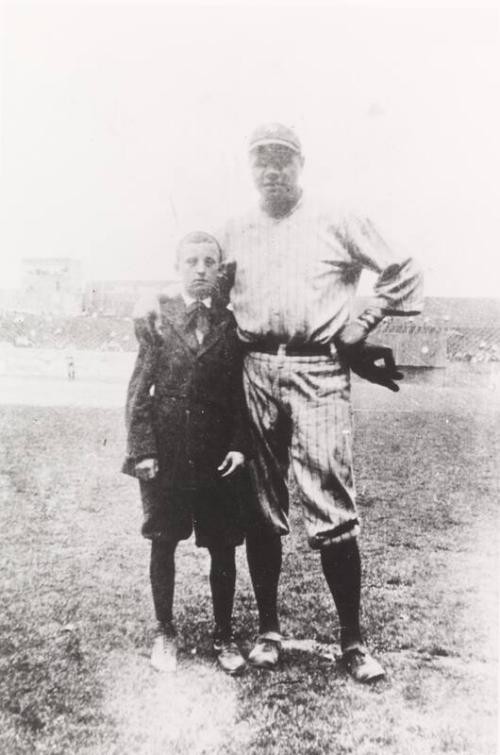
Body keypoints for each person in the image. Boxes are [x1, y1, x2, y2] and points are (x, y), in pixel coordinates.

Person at [218, 123, 424, 683]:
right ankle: (268, 632)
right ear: (249, 166)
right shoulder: (233, 229)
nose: (271, 169)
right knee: (261, 503)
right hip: (255, 366)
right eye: (261, 158)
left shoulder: (337, 217)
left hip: (319, 368)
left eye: (282, 159)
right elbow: (207, 292)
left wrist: (363, 322)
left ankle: (353, 642)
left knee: (332, 504)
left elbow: (403, 268)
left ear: (301, 164)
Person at [122, 231, 254, 676]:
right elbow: (139, 392)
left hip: (218, 455)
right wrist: (142, 451)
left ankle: (224, 634)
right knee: (163, 541)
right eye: (191, 261)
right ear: (178, 267)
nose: (200, 269)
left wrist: (239, 444)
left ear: (221, 270)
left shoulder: (234, 324)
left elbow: (241, 393)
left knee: (223, 546)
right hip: (168, 455)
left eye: (209, 262)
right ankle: (165, 631)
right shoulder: (158, 318)